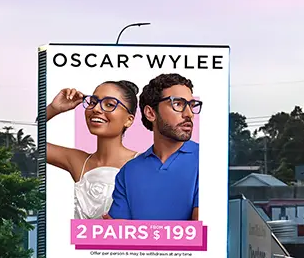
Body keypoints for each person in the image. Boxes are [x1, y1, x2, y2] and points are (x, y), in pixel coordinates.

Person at [106, 73, 202, 221]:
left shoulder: (207, 162)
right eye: (178, 104)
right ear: (151, 113)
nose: (189, 114)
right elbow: (119, 236)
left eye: (192, 105)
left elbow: (201, 235)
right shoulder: (128, 171)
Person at [46, 81, 139, 219]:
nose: (96, 109)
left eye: (109, 104)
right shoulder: (78, 161)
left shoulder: (143, 164)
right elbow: (22, 141)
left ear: (129, 120)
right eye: (93, 102)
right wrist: (53, 109)